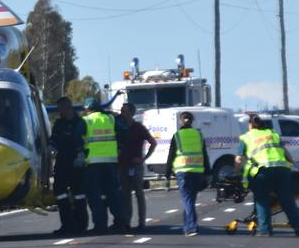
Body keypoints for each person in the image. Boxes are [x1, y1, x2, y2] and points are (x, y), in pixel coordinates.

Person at [236, 114, 299, 237]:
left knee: (262, 200)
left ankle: (265, 230)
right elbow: (285, 152)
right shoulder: (272, 133)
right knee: (286, 199)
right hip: (282, 170)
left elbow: (239, 160)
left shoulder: (246, 137)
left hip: (262, 172)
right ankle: (298, 226)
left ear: (250, 125)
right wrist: (295, 164)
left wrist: (236, 173)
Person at [81, 98, 124, 234]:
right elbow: (125, 132)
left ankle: (100, 225)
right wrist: (120, 147)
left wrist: (80, 152)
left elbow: (76, 137)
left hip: (93, 164)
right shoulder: (111, 119)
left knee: (95, 196)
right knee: (113, 194)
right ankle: (119, 223)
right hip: (111, 163)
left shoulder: (86, 120)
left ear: (87, 108)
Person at [49, 96, 89, 235]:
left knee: (79, 195)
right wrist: (50, 146)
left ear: (68, 108)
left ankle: (81, 225)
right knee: (60, 193)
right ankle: (66, 224)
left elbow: (84, 141)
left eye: (60, 108)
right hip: (62, 162)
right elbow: (54, 139)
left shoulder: (80, 123)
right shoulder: (59, 123)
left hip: (76, 163)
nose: (59, 111)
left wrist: (81, 155)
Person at [164, 111, 207, 236]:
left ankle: (192, 227)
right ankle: (187, 226)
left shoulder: (177, 136)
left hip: (183, 172)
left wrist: (167, 173)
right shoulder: (198, 135)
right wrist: (208, 172)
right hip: (197, 172)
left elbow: (171, 155)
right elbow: (204, 154)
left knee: (187, 200)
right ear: (192, 121)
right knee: (190, 200)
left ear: (180, 121)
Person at [117, 103, 157, 232]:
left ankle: (141, 222)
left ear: (131, 113)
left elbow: (153, 142)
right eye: (121, 111)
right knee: (125, 194)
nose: (121, 113)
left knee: (139, 193)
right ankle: (126, 222)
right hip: (122, 165)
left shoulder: (139, 128)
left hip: (136, 165)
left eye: (124, 111)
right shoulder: (119, 127)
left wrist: (144, 159)